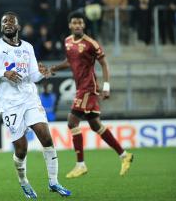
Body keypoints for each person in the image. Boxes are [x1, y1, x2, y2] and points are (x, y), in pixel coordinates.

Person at [0, 11, 71, 199]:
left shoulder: (27, 47)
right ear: (1, 26)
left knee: (46, 137)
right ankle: (23, 182)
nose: (8, 24)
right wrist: (4, 73)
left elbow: (33, 75)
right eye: (4, 22)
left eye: (11, 22)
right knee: (21, 148)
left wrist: (44, 73)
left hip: (29, 98)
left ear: (18, 27)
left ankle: (53, 181)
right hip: (10, 104)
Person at [47, 11, 133, 178]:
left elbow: (104, 64)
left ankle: (81, 165)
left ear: (84, 25)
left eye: (80, 22)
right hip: (81, 87)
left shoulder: (91, 44)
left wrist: (106, 86)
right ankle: (125, 155)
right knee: (95, 125)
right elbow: (70, 62)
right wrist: (53, 69)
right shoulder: (67, 42)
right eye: (75, 22)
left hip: (88, 88)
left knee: (72, 122)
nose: (78, 25)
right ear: (70, 25)